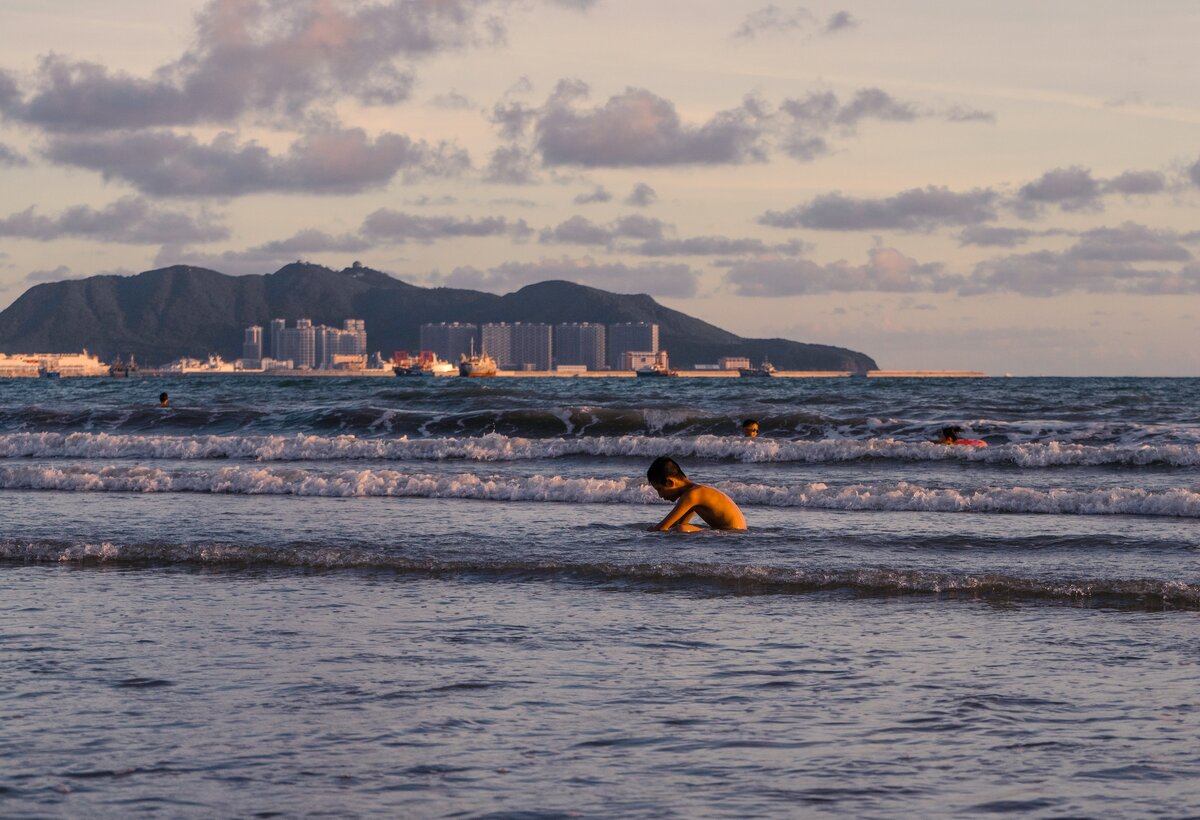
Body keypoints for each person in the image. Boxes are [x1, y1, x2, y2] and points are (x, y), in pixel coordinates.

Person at [646, 456, 748, 532]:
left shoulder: (693, 495)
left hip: (733, 533)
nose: (660, 495)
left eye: (659, 489)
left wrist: (651, 531)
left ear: (670, 482)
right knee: (679, 527)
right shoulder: (694, 492)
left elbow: (663, 527)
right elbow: (676, 523)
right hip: (736, 532)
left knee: (681, 529)